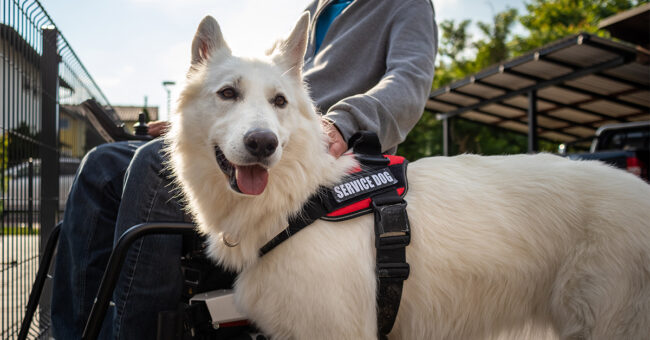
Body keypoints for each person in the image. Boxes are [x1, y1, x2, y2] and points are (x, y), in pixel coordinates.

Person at [51, 0, 438, 338]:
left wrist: (344, 122)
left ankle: (135, 334)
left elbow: (410, 81)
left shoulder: (405, 3)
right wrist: (204, 120)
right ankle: (77, 332)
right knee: (102, 165)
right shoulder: (316, 8)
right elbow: (256, 90)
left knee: (154, 165)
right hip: (271, 123)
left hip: (329, 147)